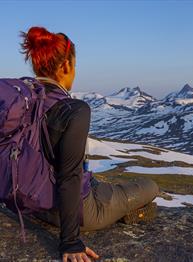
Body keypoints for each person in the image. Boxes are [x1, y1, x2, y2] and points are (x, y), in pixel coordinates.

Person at [19, 26, 160, 262]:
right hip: (76, 212)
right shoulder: (73, 110)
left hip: (28, 203)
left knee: (97, 183)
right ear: (66, 66)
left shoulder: (21, 101)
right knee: (150, 186)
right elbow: (69, 176)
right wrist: (70, 241)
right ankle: (122, 213)